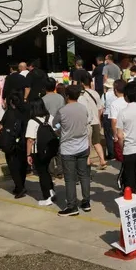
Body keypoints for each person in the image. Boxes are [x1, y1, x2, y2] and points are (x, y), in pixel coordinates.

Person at [53, 85, 92, 215]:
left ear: (67, 96)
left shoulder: (62, 111)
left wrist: (61, 131)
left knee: (70, 179)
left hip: (68, 148)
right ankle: (86, 202)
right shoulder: (83, 108)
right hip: (83, 146)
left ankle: (72, 206)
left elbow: (55, 124)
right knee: (84, 175)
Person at [0, 95, 29, 198]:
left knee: (13, 165)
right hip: (23, 142)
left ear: (11, 102)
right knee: (22, 165)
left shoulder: (9, 113)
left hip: (11, 142)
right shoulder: (25, 112)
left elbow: (1, 125)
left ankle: (20, 187)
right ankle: (20, 185)